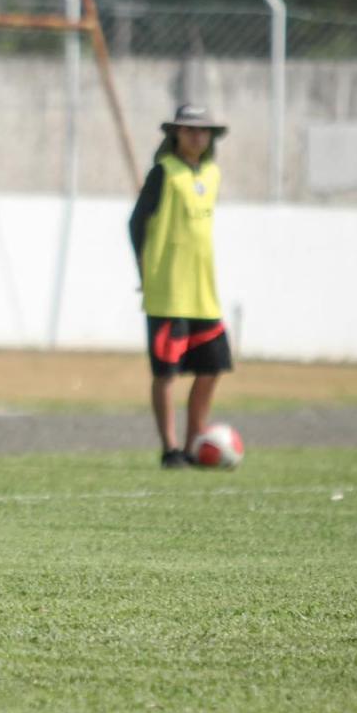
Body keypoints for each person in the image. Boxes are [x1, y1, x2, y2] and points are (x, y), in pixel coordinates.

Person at [128, 104, 234, 468]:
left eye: (204, 131)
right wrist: (146, 272)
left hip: (204, 294)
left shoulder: (212, 174)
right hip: (168, 293)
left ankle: (195, 444)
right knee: (166, 373)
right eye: (189, 130)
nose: (197, 137)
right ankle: (170, 448)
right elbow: (136, 223)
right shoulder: (164, 173)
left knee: (212, 367)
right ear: (175, 134)